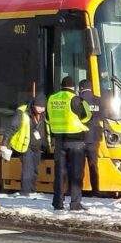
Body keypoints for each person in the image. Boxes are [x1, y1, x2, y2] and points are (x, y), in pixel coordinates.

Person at [47, 76, 92, 211]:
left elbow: (48, 119)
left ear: (61, 86)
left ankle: (57, 203)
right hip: (76, 141)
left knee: (60, 173)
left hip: (59, 141)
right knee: (76, 173)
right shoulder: (75, 99)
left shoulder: (52, 99)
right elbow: (86, 116)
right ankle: (75, 203)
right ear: (74, 88)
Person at [0, 93, 50, 198]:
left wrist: (47, 144)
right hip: (25, 145)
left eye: (43, 108)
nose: (41, 110)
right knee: (28, 169)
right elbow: (11, 127)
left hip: (38, 146)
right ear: (34, 104)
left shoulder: (43, 114)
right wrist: (4, 143)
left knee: (35, 170)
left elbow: (45, 129)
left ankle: (32, 191)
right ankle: (25, 193)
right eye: (39, 107)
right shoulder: (22, 112)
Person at [78, 79, 102, 197]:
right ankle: (95, 190)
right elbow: (102, 118)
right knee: (93, 166)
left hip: (80, 137)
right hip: (94, 138)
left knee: (79, 166)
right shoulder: (98, 100)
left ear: (81, 89)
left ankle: (78, 190)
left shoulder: (77, 100)